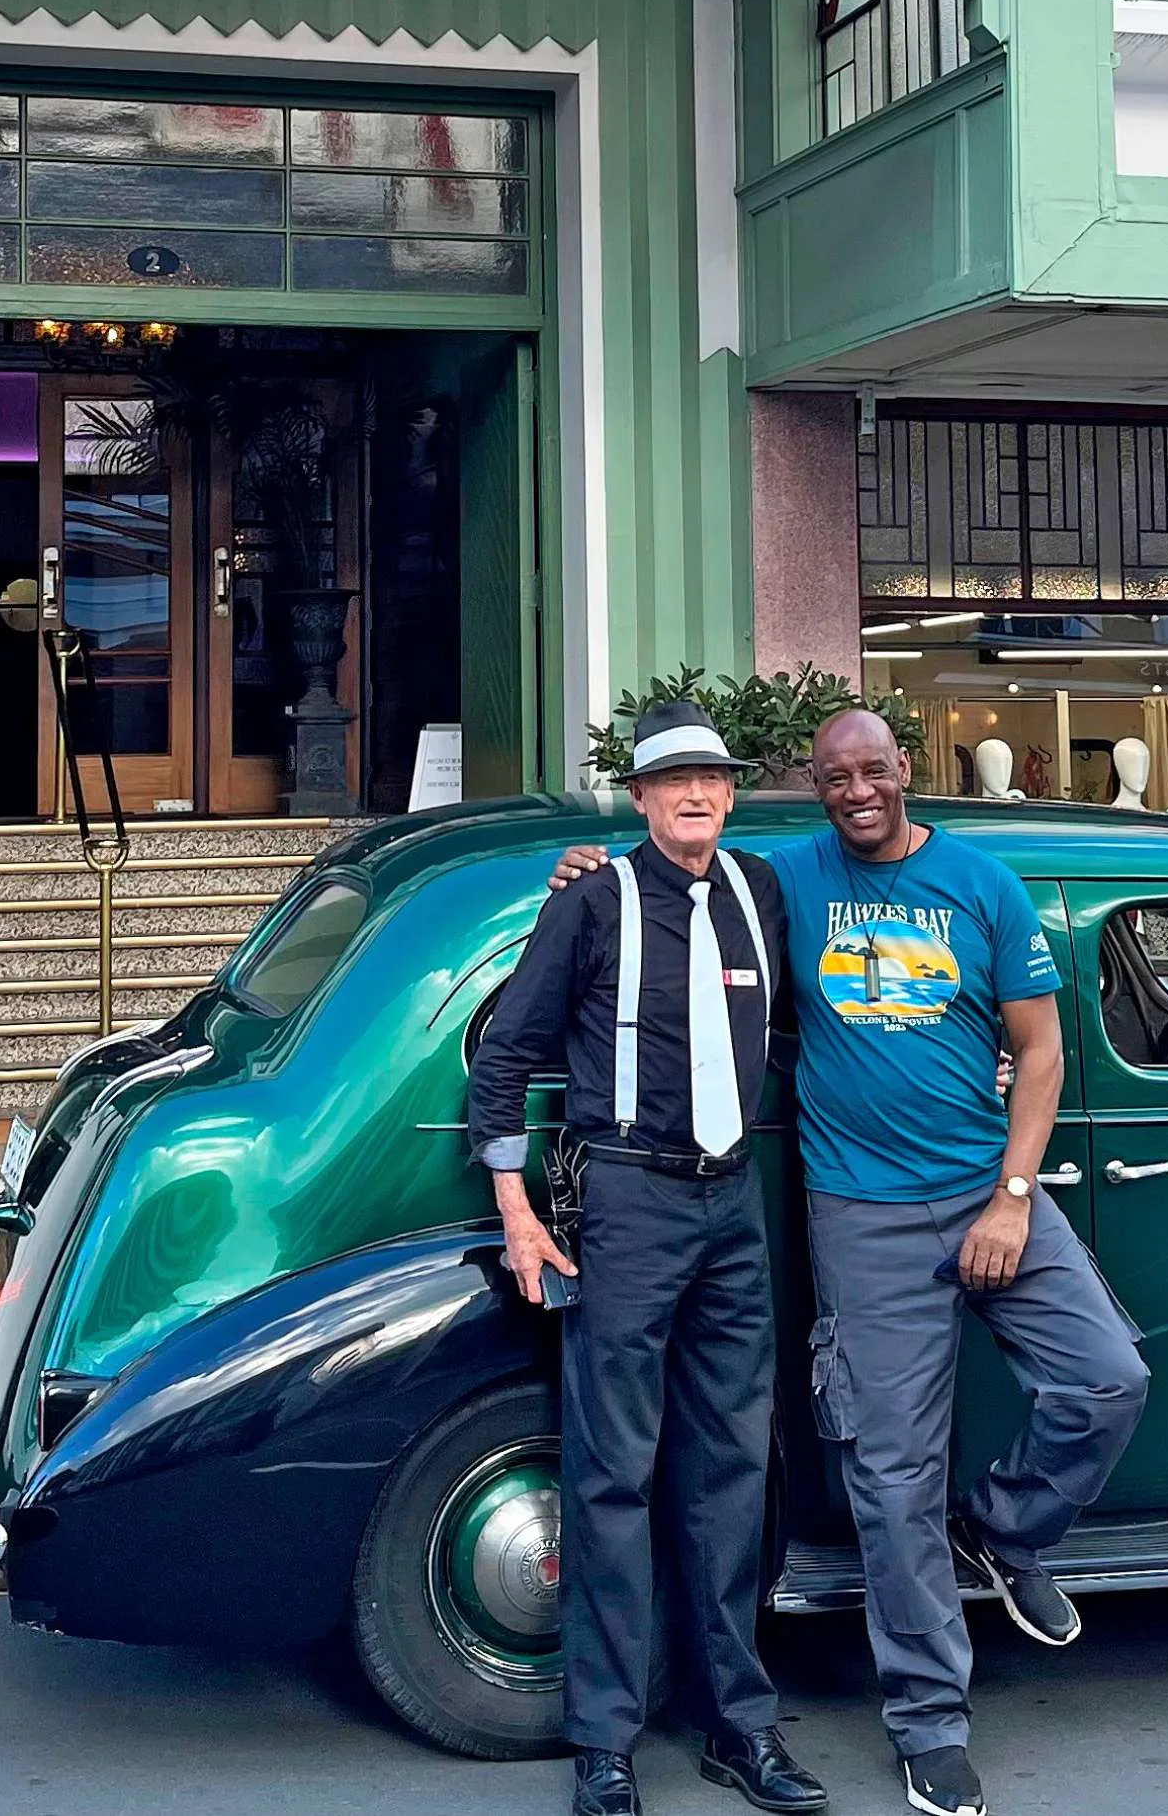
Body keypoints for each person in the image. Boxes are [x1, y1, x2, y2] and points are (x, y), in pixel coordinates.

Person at [551, 707, 1150, 1816]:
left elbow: (1044, 1048)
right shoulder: (782, 882)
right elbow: (675, 889)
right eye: (835, 776)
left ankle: (1009, 1525)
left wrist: (1014, 1197)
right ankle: (930, 1722)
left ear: (904, 769)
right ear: (815, 786)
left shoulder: (985, 882)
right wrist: (591, 870)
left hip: (989, 1189)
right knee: (892, 1474)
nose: (856, 789)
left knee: (1109, 1377)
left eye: (873, 769)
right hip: (861, 1211)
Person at [468, 700, 828, 1816]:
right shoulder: (592, 900)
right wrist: (518, 1209)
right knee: (611, 1471)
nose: (696, 795)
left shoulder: (762, 893)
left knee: (731, 1468)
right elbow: (503, 1053)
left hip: (734, 1203)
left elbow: (834, 1005)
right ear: (638, 797)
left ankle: (740, 1725)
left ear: (731, 791)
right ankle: (607, 1742)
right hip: (626, 1196)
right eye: (674, 781)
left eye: (713, 779)